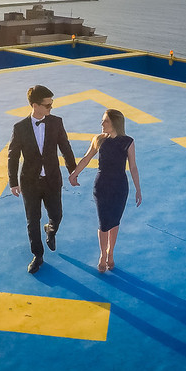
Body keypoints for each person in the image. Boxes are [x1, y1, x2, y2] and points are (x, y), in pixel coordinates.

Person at [8, 85, 79, 274]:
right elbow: (13, 156)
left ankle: (51, 230)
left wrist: (73, 171)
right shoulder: (20, 127)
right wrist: (13, 182)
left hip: (52, 179)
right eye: (47, 105)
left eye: (51, 104)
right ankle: (37, 256)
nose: (51, 108)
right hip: (29, 182)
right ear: (34, 105)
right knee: (33, 220)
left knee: (57, 215)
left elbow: (65, 147)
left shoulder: (56, 122)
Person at [69, 108, 141, 273]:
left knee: (115, 222)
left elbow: (133, 167)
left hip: (120, 187)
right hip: (101, 186)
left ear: (115, 123)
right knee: (103, 224)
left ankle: (111, 253)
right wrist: (74, 174)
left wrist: (138, 189)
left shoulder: (128, 141)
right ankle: (102, 254)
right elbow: (86, 159)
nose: (102, 123)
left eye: (105, 121)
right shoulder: (99, 140)